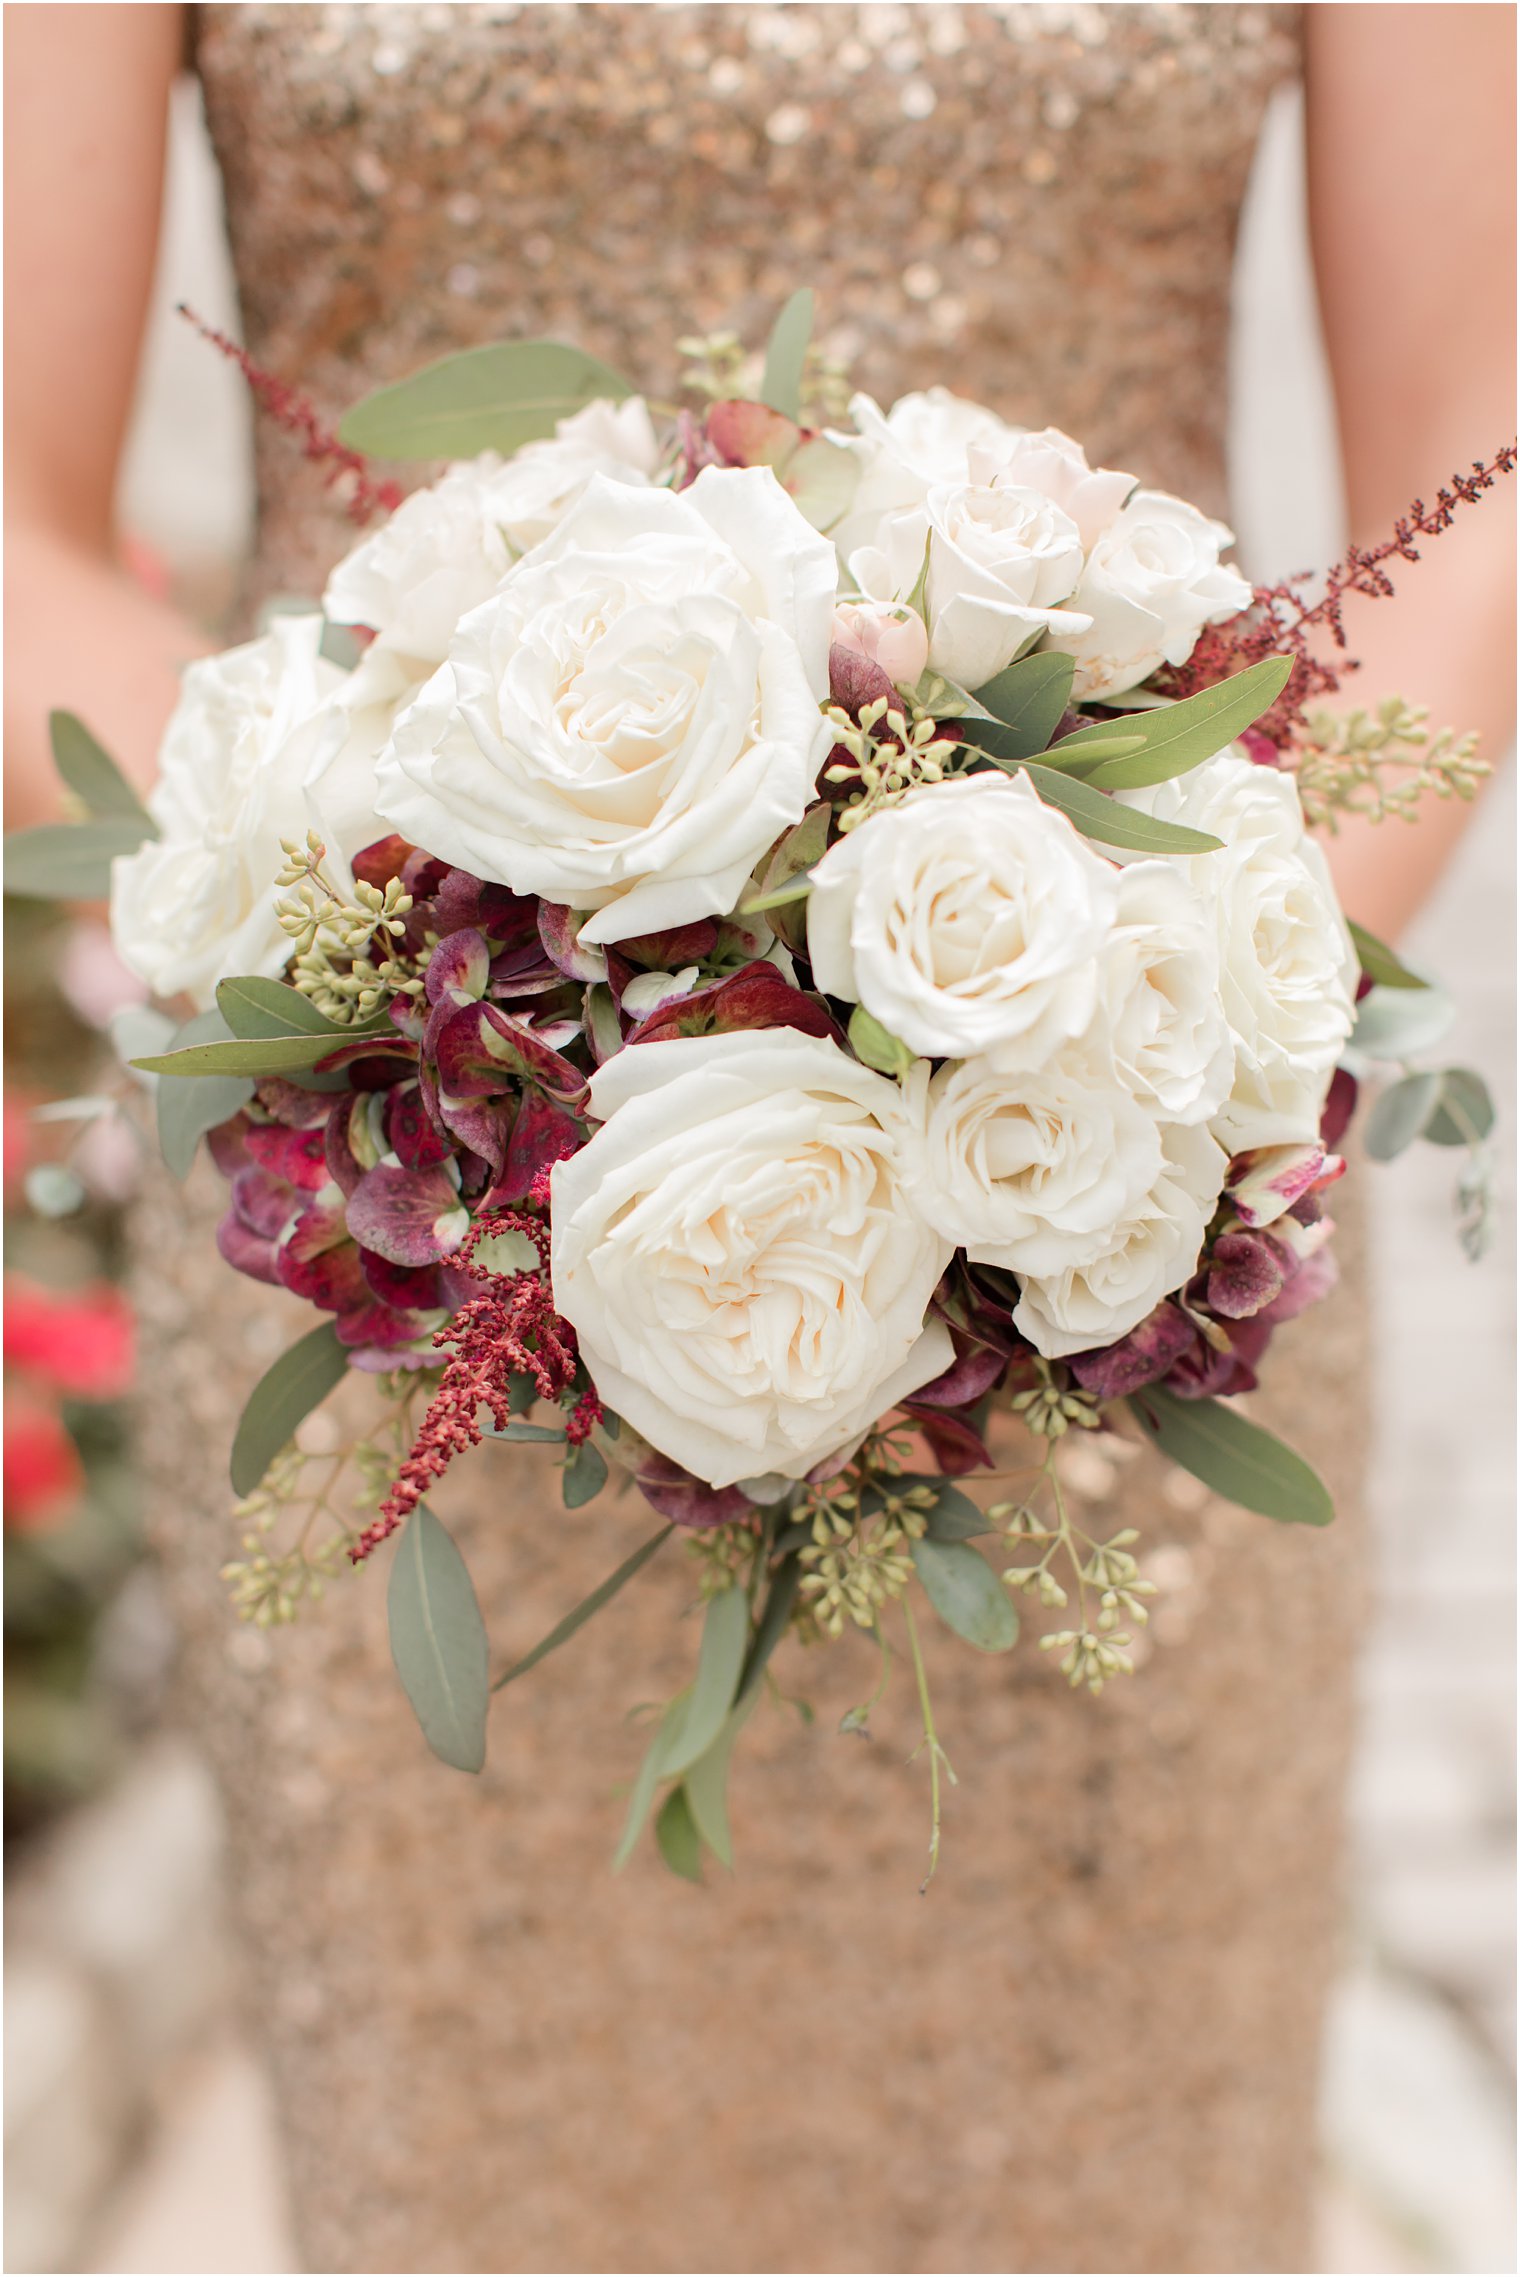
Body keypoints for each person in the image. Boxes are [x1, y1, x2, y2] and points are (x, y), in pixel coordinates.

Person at [5, 7, 1514, 2271]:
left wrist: (1156, 1046)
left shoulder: (1114, 1134)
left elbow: (1479, 442)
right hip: (432, 1257)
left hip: (1090, 1256)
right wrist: (377, 1002)